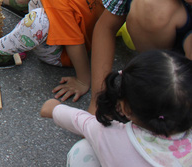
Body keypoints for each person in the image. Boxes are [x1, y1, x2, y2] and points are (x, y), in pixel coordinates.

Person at [42, 50, 192, 167]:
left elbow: (81, 121)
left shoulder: (111, 135)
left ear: (126, 108)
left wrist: (54, 109)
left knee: (82, 150)